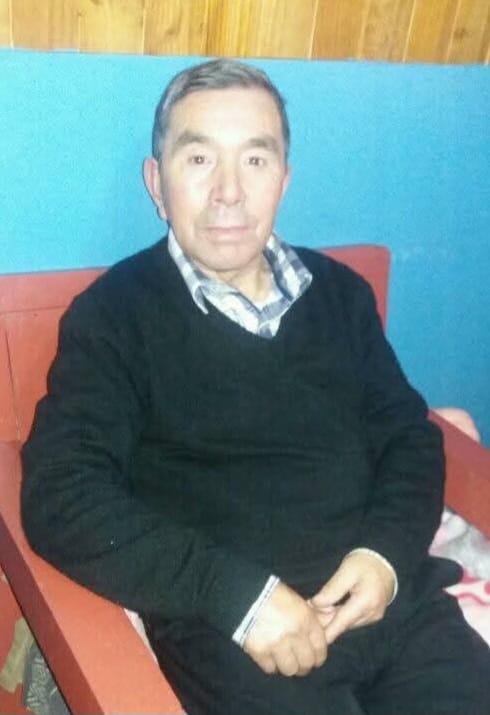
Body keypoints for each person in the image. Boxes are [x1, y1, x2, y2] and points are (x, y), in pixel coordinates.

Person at [21, 59, 490, 715]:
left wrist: (384, 558)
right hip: (236, 634)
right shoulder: (113, 317)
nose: (229, 192)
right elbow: (60, 493)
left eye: (255, 160)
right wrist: (239, 597)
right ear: (156, 183)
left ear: (284, 180)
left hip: (390, 605)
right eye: (199, 159)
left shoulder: (341, 296)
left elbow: (409, 438)